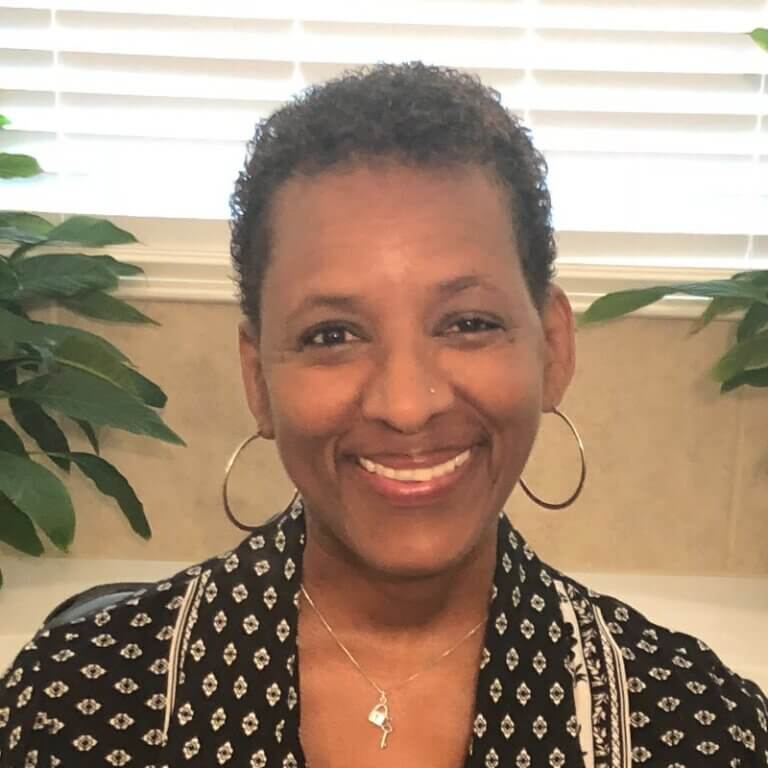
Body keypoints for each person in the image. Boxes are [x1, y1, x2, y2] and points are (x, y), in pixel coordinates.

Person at [1, 62, 766, 768]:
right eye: (332, 335)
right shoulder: (76, 706)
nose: (407, 406)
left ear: (553, 350)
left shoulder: (695, 726)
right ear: (258, 378)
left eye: (468, 323)